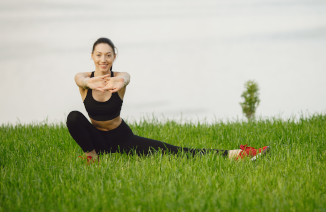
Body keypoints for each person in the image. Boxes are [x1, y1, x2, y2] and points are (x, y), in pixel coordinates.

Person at [66, 37, 269, 163]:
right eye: (99, 55)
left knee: (177, 152)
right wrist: (88, 82)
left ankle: (237, 154)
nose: (103, 59)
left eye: (108, 55)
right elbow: (79, 78)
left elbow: (127, 77)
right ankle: (92, 156)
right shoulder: (84, 81)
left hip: (122, 138)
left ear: (114, 56)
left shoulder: (120, 77)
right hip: (97, 140)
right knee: (74, 117)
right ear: (92, 56)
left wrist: (121, 81)